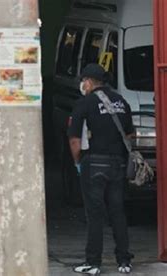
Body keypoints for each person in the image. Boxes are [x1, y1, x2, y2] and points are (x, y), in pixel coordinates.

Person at [68, 63, 134, 275]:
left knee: (95, 214)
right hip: (118, 164)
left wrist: (78, 163)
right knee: (118, 212)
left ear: (87, 81)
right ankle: (124, 261)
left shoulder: (84, 103)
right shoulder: (121, 102)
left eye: (82, 81)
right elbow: (130, 135)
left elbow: (75, 141)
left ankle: (93, 262)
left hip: (93, 164)